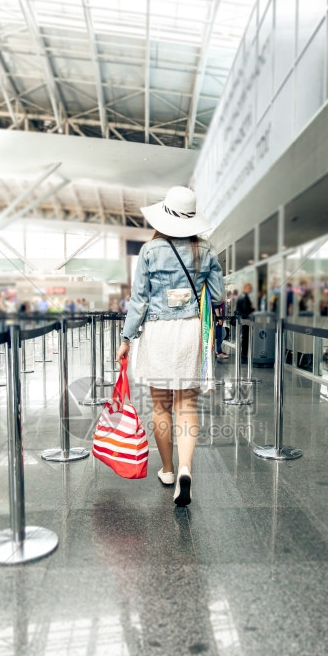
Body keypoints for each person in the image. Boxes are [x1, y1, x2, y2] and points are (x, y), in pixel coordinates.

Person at [116, 185, 225, 507]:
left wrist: (126, 338)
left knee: (161, 406)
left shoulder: (150, 252)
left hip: (158, 332)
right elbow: (217, 297)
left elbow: (139, 301)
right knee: (186, 407)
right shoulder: (206, 252)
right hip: (192, 331)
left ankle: (167, 469)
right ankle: (187, 469)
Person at [236, 282, 254, 361]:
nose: (251, 289)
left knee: (245, 337)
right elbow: (245, 309)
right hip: (245, 320)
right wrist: (253, 310)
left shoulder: (243, 296)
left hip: (243, 319)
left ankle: (244, 355)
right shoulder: (244, 297)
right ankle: (244, 356)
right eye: (249, 288)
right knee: (246, 338)